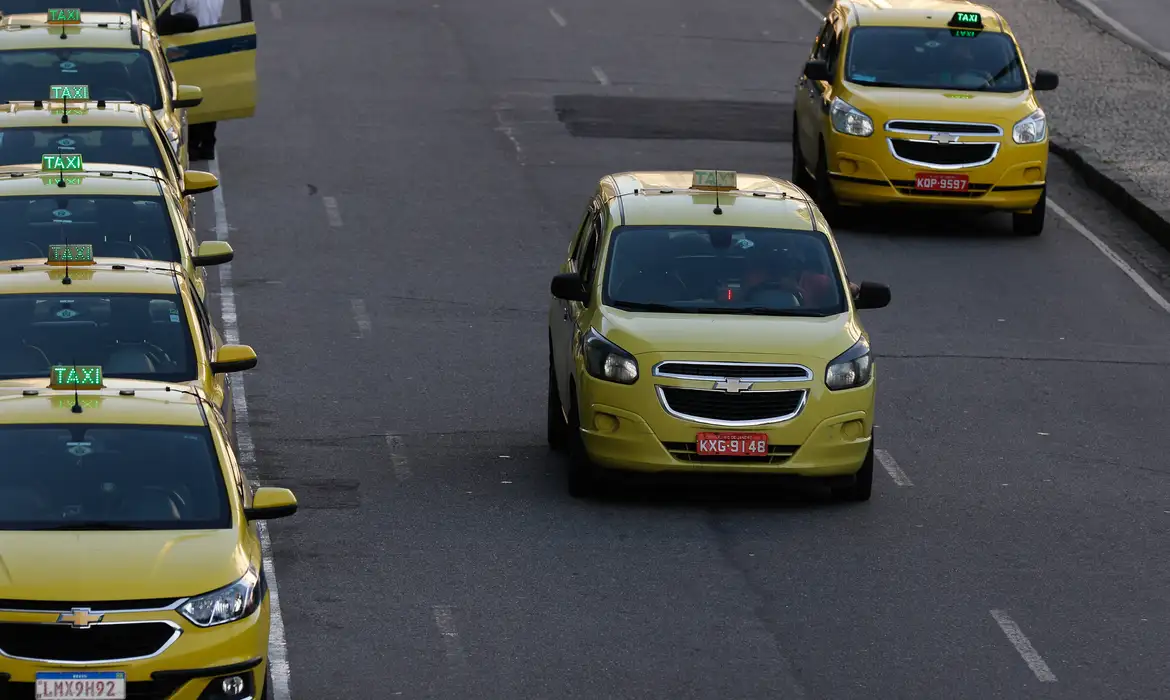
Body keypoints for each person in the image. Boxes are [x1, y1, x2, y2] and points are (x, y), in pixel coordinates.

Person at [168, 0, 224, 161]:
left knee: (189, 96)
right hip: (213, 44)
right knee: (208, 95)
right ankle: (207, 145)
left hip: (190, 47)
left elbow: (173, 19)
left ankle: (192, 145)